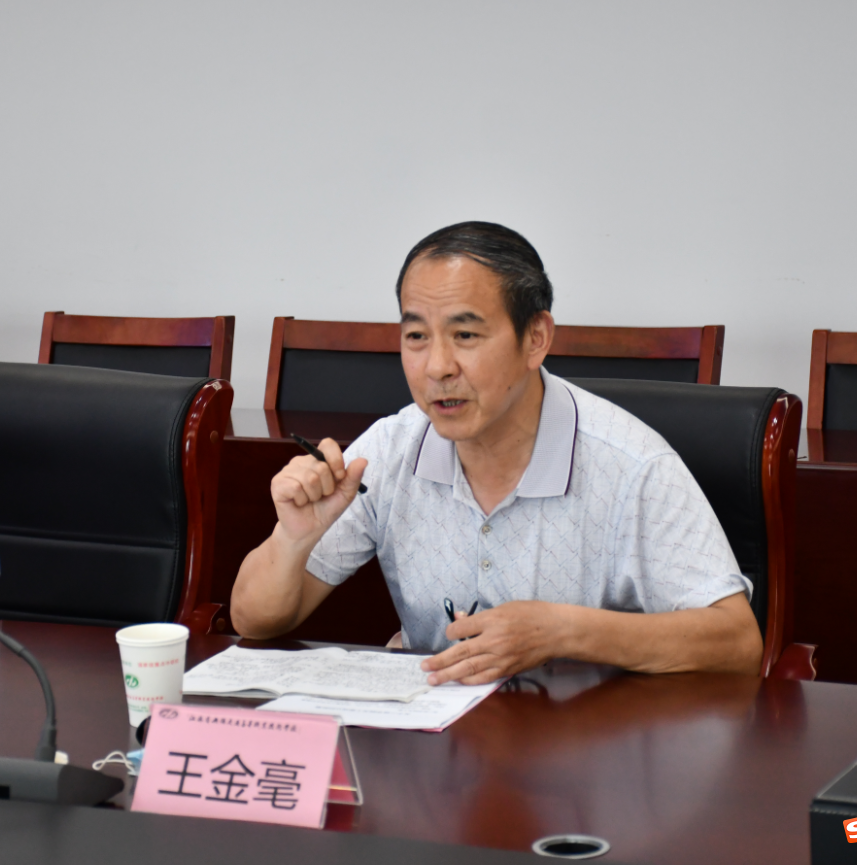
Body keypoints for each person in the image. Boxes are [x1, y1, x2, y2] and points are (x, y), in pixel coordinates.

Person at [231, 221, 762, 684]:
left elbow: (736, 642)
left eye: (465, 334)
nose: (437, 366)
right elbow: (252, 621)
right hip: (434, 739)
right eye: (416, 336)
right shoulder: (390, 449)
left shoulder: (631, 464)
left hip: (588, 744)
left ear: (536, 338)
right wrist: (292, 540)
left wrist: (563, 631)